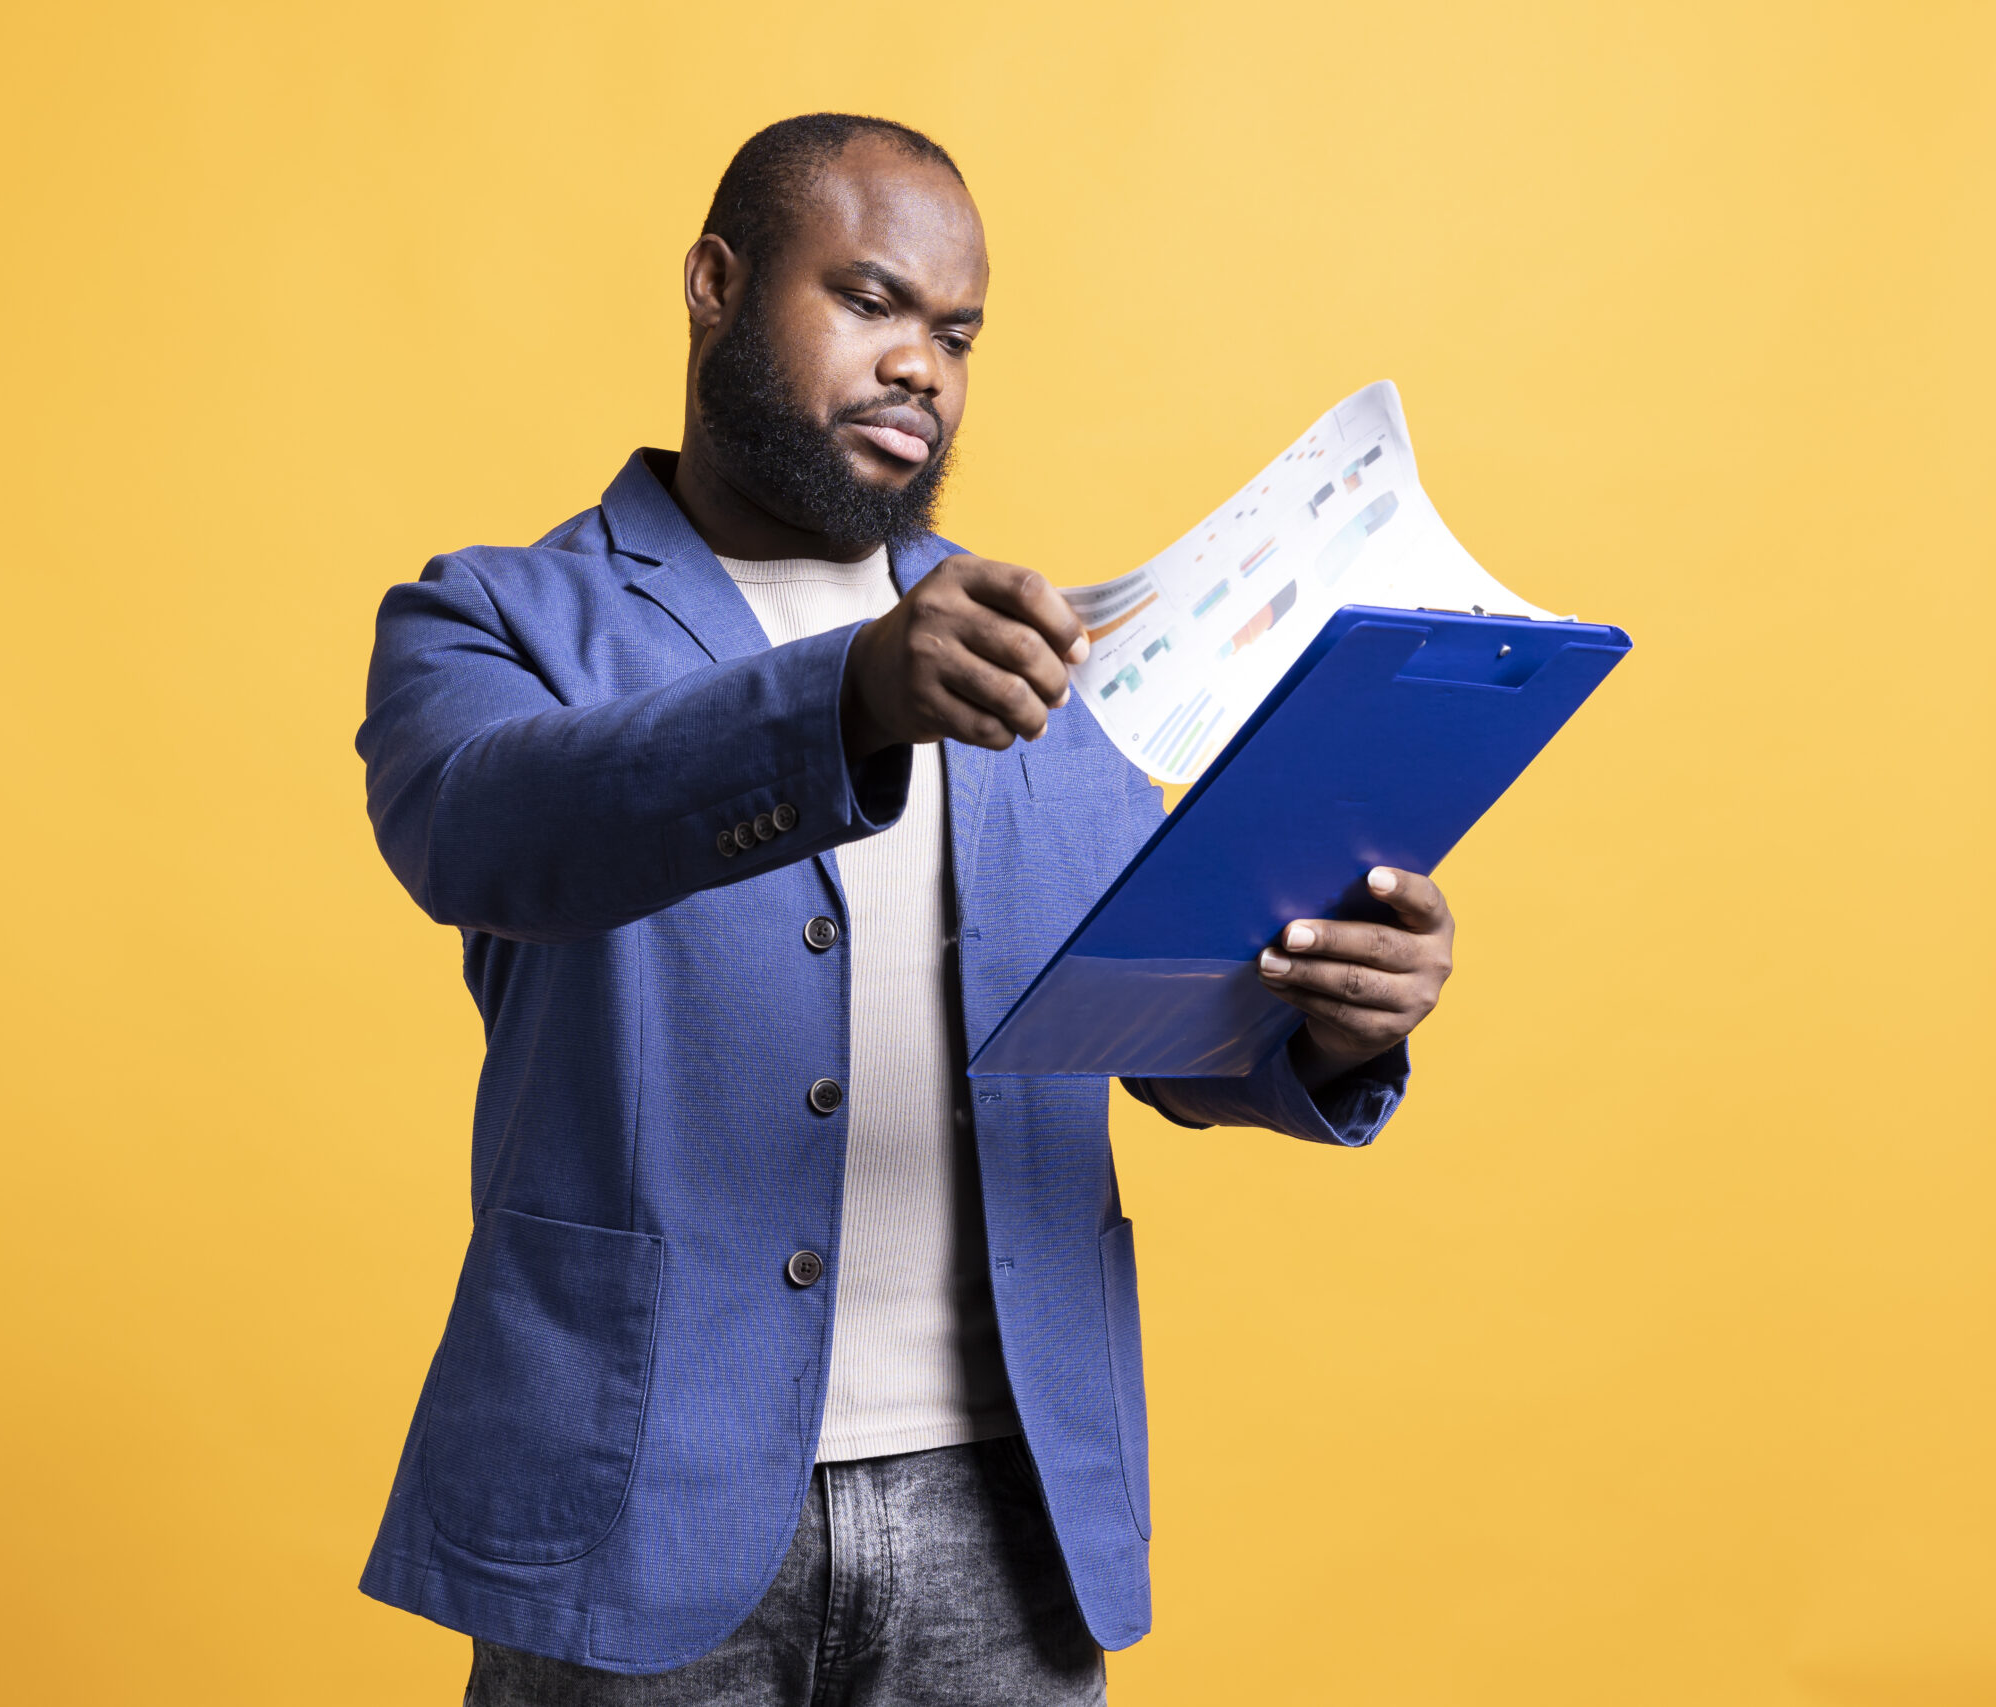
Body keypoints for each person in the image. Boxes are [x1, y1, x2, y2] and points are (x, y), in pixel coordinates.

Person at [355, 113, 1454, 1706]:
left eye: (956, 333)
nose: (919, 366)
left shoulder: (1034, 651)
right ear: (716, 285)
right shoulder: (494, 615)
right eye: (870, 301)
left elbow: (1150, 1026)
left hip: (1007, 1516)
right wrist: (849, 700)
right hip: (635, 1498)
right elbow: (490, 834)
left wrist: (1335, 1020)